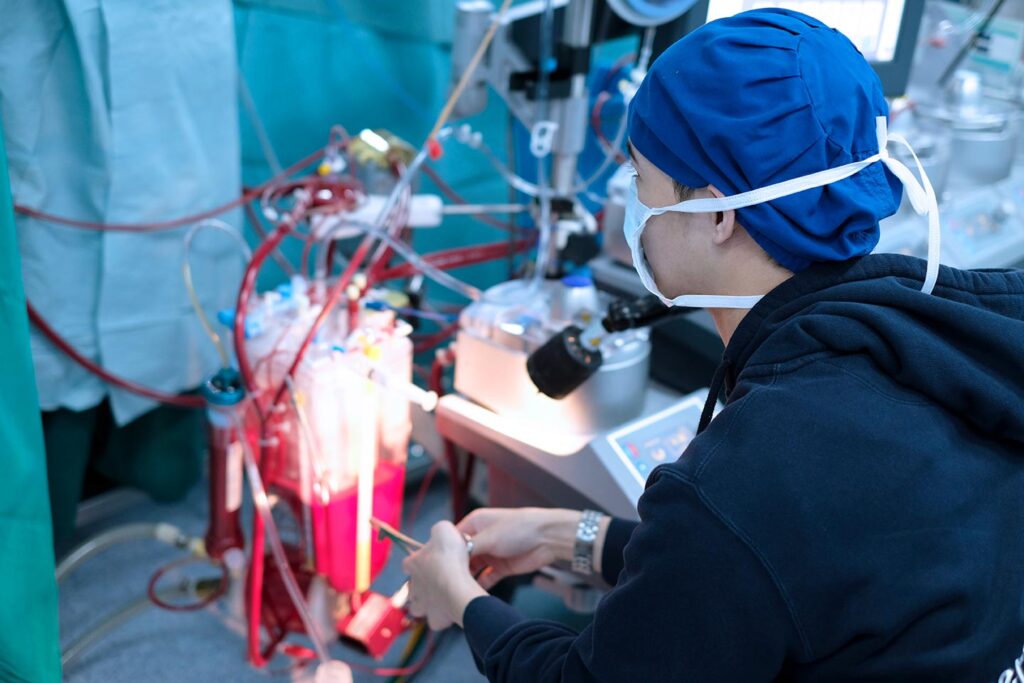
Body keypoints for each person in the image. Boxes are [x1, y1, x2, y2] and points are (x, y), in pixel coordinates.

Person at [403, 9, 1024, 681]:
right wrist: (567, 535)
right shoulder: (937, 338)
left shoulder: (755, 468)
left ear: (720, 212)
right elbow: (764, 564)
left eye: (640, 181)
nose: (632, 207)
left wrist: (463, 602)